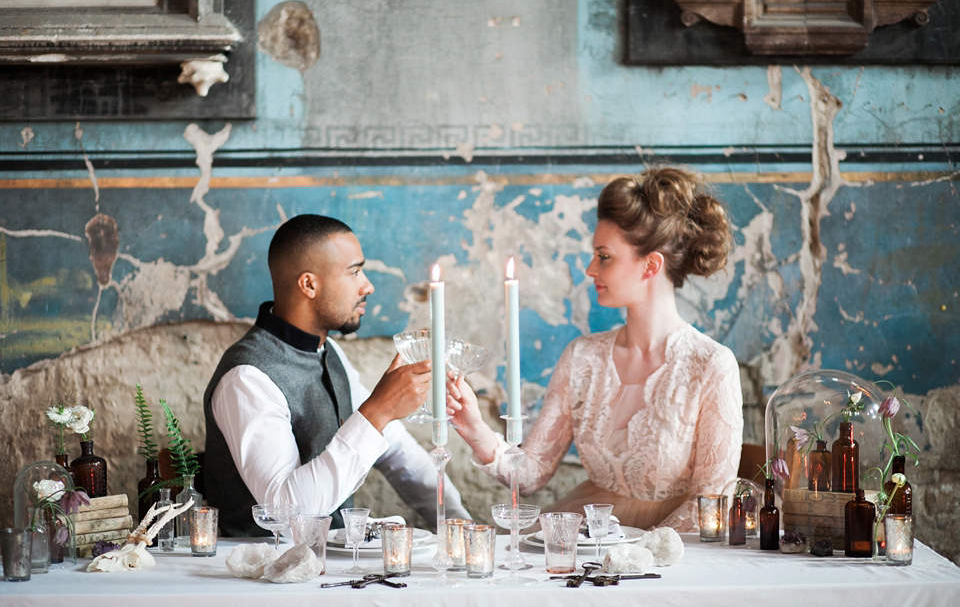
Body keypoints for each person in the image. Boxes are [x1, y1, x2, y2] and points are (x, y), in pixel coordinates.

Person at [447, 168, 743, 532]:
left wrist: (636, 554)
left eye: (604, 256)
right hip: (588, 537)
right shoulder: (583, 357)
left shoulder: (711, 365)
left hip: (672, 551)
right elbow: (532, 474)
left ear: (651, 265)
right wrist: (477, 430)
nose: (590, 269)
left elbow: (710, 505)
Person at [203, 214, 471, 536]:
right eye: (355, 271)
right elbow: (287, 517)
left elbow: (399, 452)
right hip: (261, 575)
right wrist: (379, 411)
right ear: (309, 284)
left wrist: (460, 526)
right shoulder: (246, 379)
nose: (367, 285)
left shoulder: (330, 352)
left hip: (334, 570)